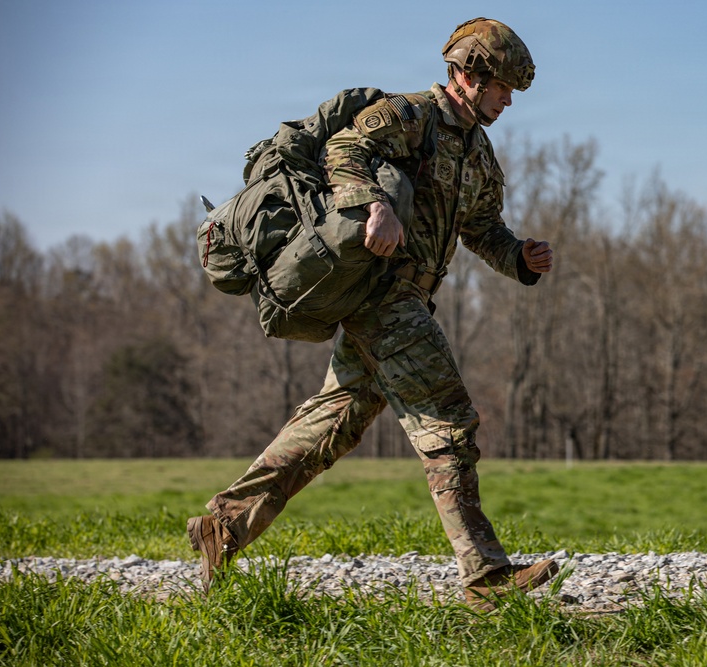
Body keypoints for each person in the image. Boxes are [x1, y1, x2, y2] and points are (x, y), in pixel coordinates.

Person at [187, 17, 559, 611]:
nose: (509, 100)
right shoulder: (408, 116)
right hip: (384, 296)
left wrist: (518, 255)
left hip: (403, 300)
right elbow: (346, 149)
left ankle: (224, 524)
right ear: (468, 74)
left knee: (331, 426)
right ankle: (485, 575)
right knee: (447, 419)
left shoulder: (480, 154)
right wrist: (374, 205)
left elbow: (480, 227)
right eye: (503, 87)